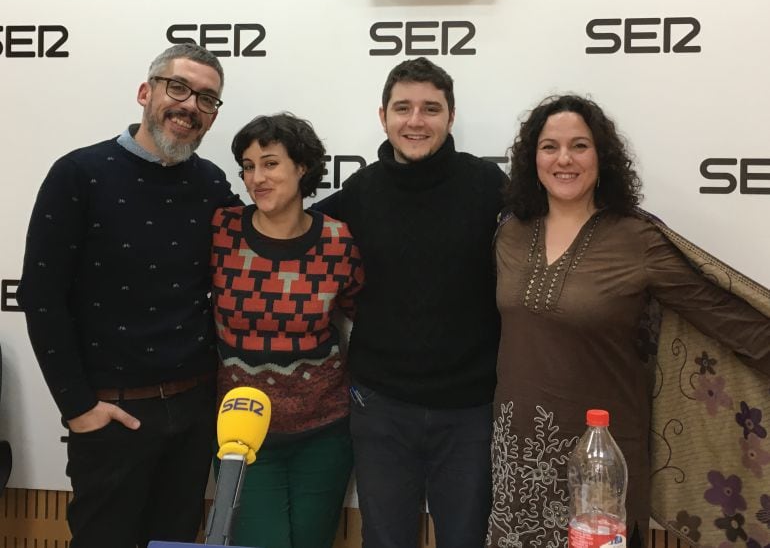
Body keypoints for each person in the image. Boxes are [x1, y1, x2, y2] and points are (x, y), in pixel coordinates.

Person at [486, 94, 770, 548]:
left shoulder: (636, 238)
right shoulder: (510, 232)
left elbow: (721, 315)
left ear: (602, 156)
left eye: (580, 146)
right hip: (517, 453)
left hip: (601, 459)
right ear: (531, 158)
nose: (564, 159)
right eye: (549, 147)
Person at [17, 43, 240, 548]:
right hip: (112, 417)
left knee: (177, 542)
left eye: (207, 99)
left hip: (193, 413)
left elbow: (261, 239)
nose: (190, 106)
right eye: (178, 87)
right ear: (147, 92)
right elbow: (42, 296)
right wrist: (78, 408)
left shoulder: (210, 183)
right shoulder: (79, 173)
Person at [314, 57, 507, 548]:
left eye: (430, 108)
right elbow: (292, 228)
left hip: (470, 409)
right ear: (383, 117)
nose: (415, 121)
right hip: (380, 405)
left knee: (465, 540)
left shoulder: (488, 186)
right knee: (385, 540)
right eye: (403, 108)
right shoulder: (362, 190)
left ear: (451, 115)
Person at [211, 113, 365, 548]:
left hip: (324, 433)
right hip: (241, 436)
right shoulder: (222, 232)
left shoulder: (338, 241)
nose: (256, 177)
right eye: (247, 165)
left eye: (270, 163)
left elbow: (363, 315)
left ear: (302, 167)